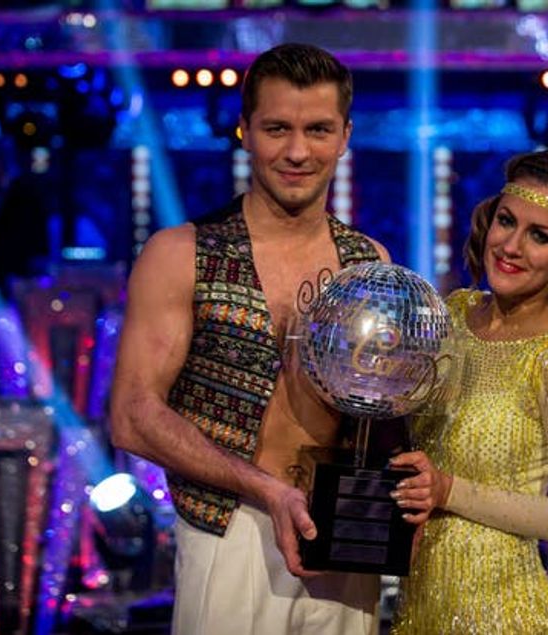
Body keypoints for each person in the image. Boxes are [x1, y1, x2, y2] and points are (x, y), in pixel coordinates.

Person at [109, 43, 390, 635]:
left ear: (344, 136)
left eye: (317, 130)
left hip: (342, 537)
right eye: (276, 128)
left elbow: (384, 411)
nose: (297, 151)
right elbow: (133, 416)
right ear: (244, 130)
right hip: (230, 531)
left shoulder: (370, 263)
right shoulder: (182, 253)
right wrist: (266, 489)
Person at [387, 149, 548, 634]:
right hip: (417, 608)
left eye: (540, 236)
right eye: (506, 221)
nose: (511, 246)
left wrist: (449, 490)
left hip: (503, 615)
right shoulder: (451, 314)